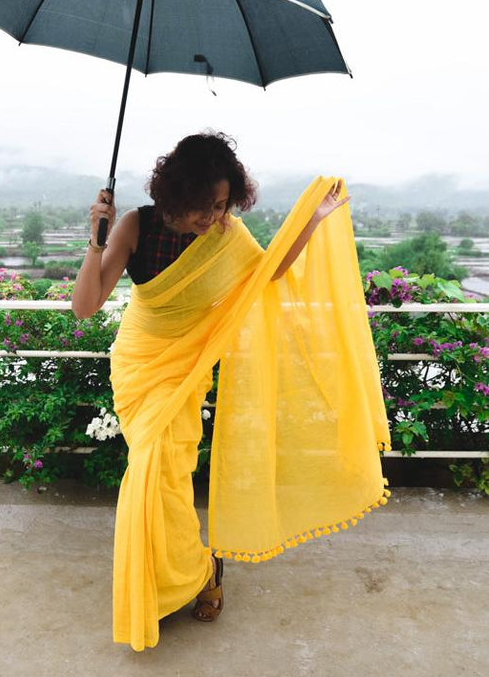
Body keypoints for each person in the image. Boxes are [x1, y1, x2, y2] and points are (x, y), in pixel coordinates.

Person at [72, 131, 391, 652]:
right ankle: (199, 569)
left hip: (187, 368)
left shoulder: (228, 236)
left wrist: (312, 219)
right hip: (139, 365)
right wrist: (97, 239)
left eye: (221, 206)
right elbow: (84, 307)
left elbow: (269, 271)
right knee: (158, 478)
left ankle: (188, 575)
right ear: (175, 193)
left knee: (161, 477)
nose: (212, 218)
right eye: (203, 205)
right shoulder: (136, 225)